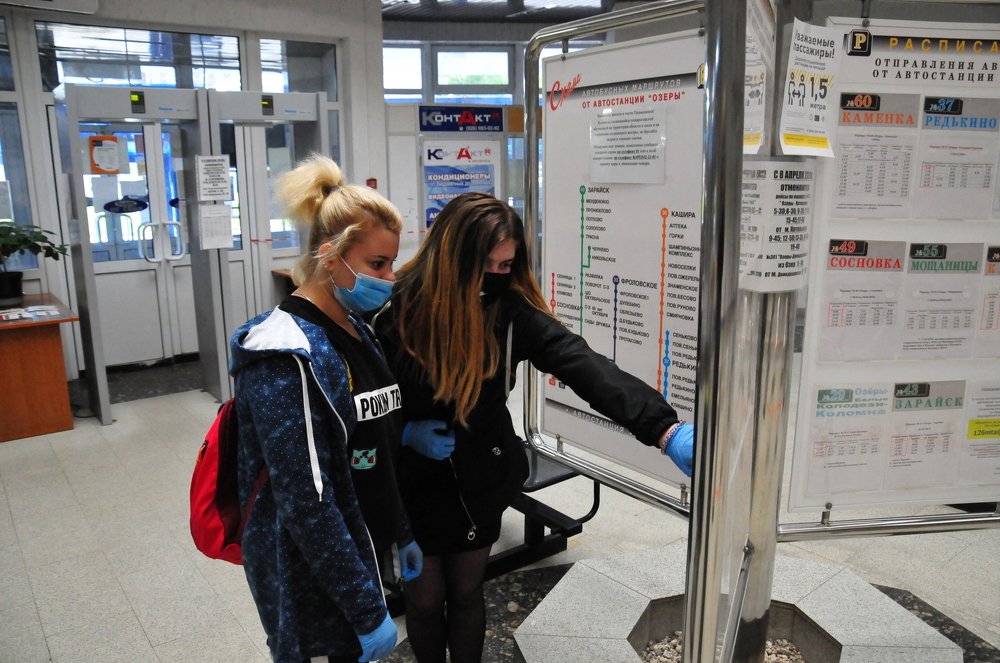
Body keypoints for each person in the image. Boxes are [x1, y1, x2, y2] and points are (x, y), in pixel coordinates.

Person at [372, 192, 695, 663]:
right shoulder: (395, 307)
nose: (496, 277)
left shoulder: (507, 313)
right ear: (452, 256)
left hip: (480, 475)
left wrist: (664, 429)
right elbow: (357, 397)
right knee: (422, 600)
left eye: (506, 265)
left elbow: (583, 364)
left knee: (466, 591)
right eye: (486, 264)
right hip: (412, 481)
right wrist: (403, 432)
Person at [230, 155, 422, 663]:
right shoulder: (286, 354)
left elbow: (377, 443)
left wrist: (399, 530)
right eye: (377, 264)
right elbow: (306, 501)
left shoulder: (357, 330)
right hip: (311, 579)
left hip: (360, 554)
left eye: (391, 263)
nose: (390, 277)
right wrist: (365, 609)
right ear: (330, 256)